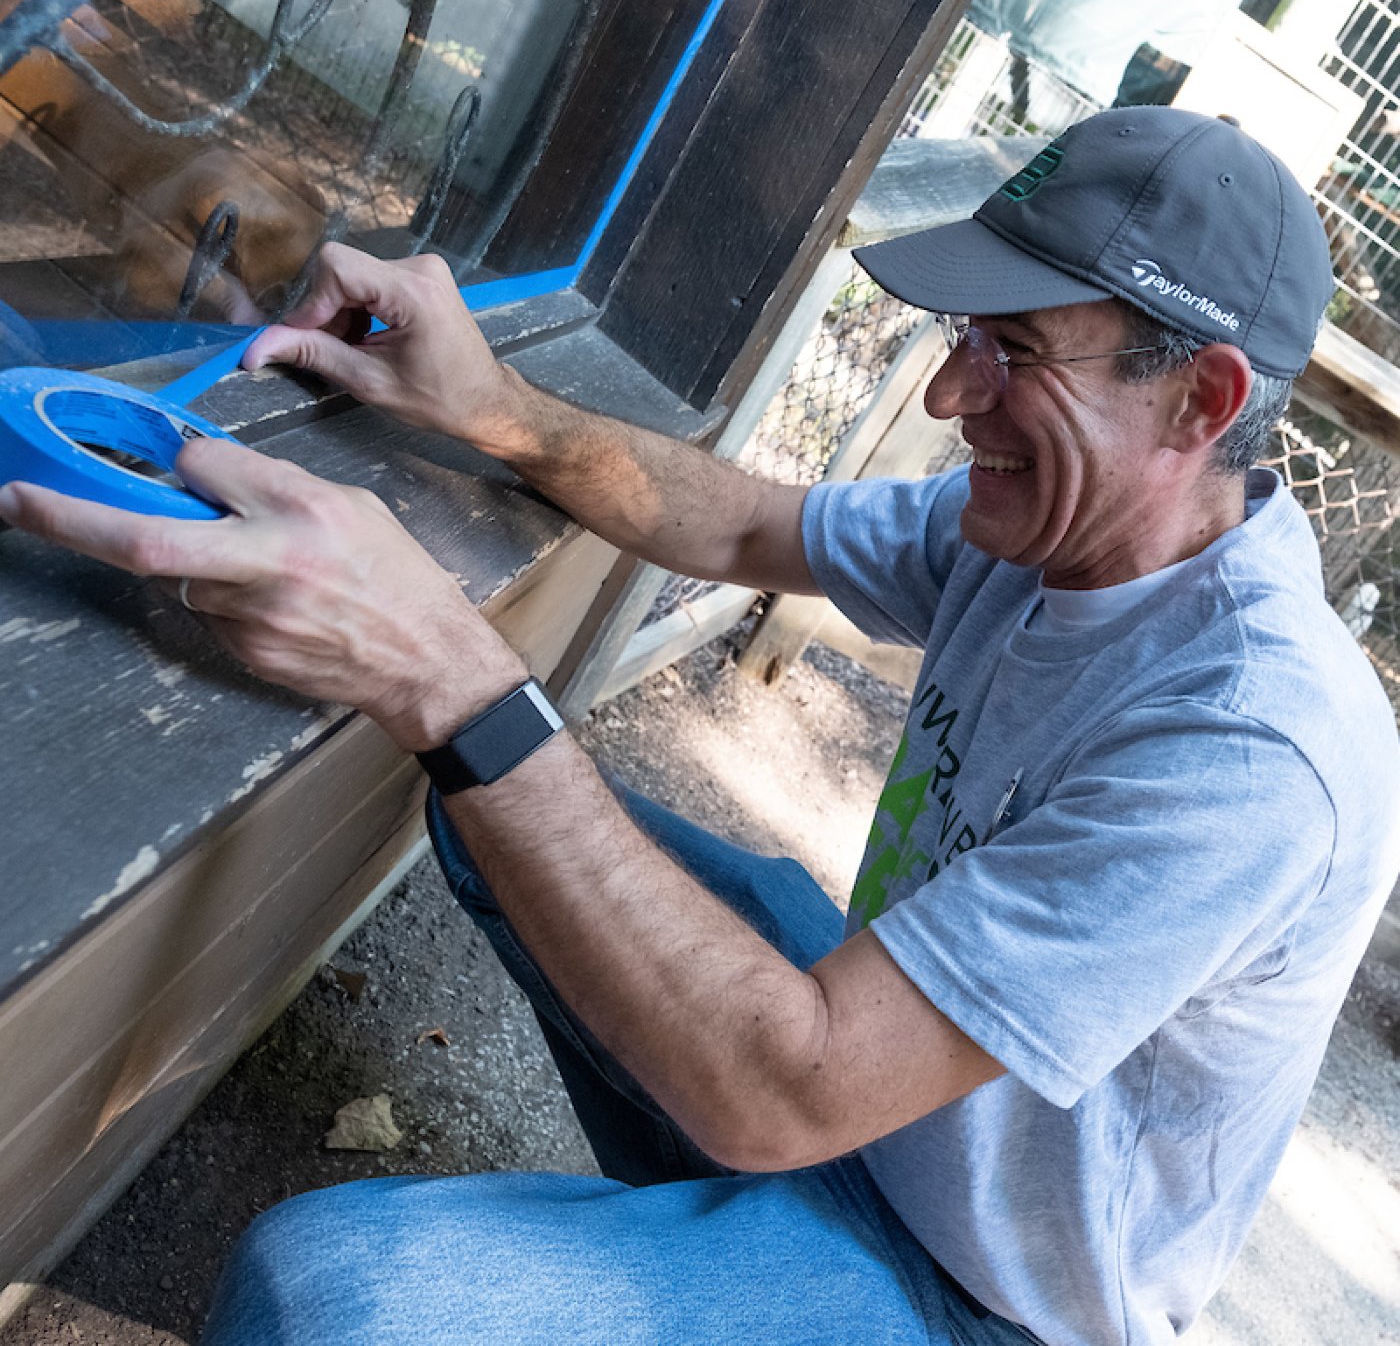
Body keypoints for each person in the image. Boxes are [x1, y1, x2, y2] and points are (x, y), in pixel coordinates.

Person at [2, 106, 1396, 1345]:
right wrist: (487, 403)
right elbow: (740, 521)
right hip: (890, 1103)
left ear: (1200, 400)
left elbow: (784, 1088)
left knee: (331, 1300)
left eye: (1016, 352)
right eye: (966, 332)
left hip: (983, 1293)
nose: (948, 395)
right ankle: (706, 1264)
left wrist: (449, 668)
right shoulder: (1051, 530)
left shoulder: (1250, 753)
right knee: (508, 831)